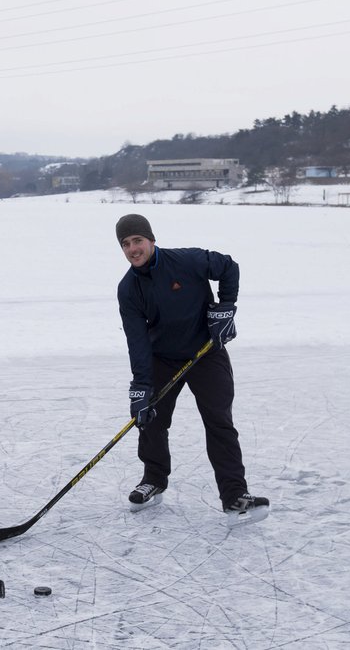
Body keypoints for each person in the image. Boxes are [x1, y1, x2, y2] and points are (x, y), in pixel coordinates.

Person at [114, 213, 268, 515]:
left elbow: (228, 267)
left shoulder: (187, 261)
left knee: (219, 422)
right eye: (125, 244)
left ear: (151, 240)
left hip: (206, 353)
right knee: (151, 420)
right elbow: (138, 342)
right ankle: (154, 480)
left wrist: (225, 308)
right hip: (163, 359)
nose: (133, 248)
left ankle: (235, 495)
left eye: (137, 240)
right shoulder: (128, 288)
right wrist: (141, 387)